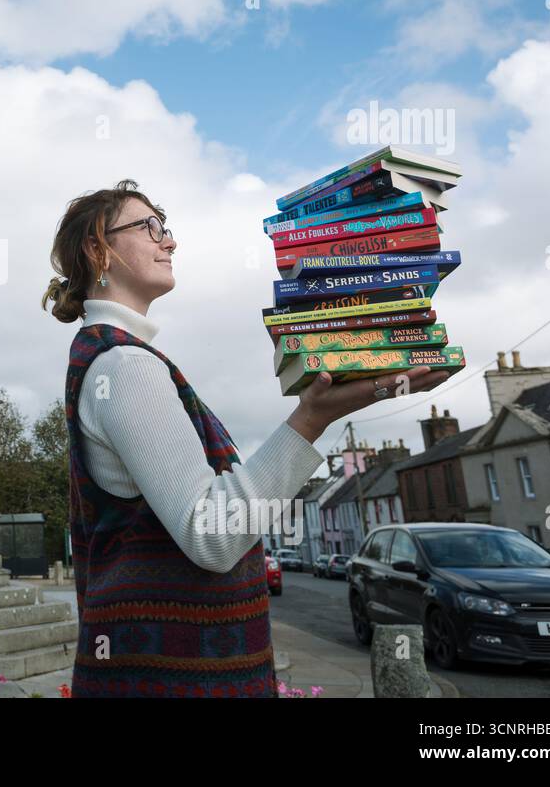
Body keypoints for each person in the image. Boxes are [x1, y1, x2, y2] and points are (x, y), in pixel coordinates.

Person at [41, 179, 449, 698]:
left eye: (165, 228)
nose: (169, 242)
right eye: (149, 227)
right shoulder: (123, 365)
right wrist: (311, 421)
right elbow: (212, 535)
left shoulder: (114, 357)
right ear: (99, 248)